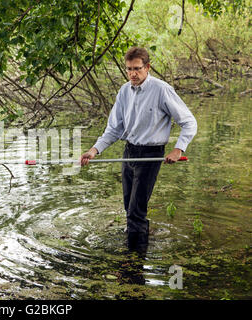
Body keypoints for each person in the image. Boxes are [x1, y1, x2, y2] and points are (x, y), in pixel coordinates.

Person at [79, 47, 197, 255]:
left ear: (147, 67)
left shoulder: (162, 90)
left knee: (135, 211)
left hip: (152, 155)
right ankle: (137, 248)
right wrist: (94, 150)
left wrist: (178, 149)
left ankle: (133, 261)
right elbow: (114, 128)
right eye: (129, 69)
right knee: (129, 207)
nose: (133, 74)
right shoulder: (125, 91)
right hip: (129, 152)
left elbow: (189, 122)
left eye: (137, 69)